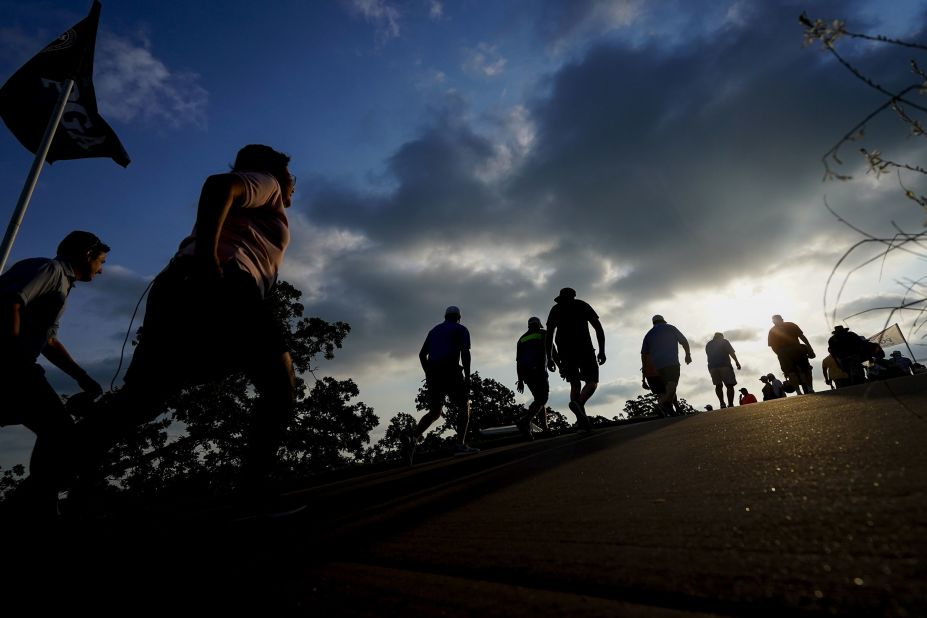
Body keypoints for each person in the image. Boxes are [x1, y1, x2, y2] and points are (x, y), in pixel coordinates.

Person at [87, 145, 298, 497]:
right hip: (223, 280)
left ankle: (44, 484)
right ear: (279, 173)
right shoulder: (268, 184)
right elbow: (219, 185)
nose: (293, 186)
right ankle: (251, 498)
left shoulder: (258, 209)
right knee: (280, 385)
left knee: (141, 401)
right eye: (292, 177)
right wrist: (207, 262)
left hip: (177, 287)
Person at [0, 231, 107, 518]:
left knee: (55, 431)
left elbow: (48, 342)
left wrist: (81, 376)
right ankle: (39, 507)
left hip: (18, 365)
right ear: (87, 254)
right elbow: (10, 299)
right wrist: (12, 355)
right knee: (59, 431)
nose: (102, 268)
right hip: (14, 366)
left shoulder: (61, 286)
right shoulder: (48, 268)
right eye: (101, 260)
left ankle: (37, 502)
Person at [408, 306, 478, 461]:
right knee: (463, 405)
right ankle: (460, 444)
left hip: (434, 374)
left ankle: (413, 437)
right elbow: (465, 353)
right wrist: (467, 376)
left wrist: (428, 373)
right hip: (451, 370)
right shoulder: (461, 329)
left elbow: (422, 355)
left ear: (445, 316)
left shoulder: (434, 331)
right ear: (459, 317)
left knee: (435, 412)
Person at [545, 288, 605, 431]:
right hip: (584, 347)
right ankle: (579, 403)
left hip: (565, 350)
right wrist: (602, 350)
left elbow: (549, 335)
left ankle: (581, 421)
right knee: (592, 381)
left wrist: (550, 358)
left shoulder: (556, 309)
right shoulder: (582, 305)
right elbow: (598, 328)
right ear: (574, 296)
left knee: (574, 383)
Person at [641, 315, 691, 416]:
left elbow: (644, 354)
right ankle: (665, 404)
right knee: (672, 384)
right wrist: (687, 354)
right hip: (671, 362)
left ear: (653, 323)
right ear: (664, 321)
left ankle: (666, 405)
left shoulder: (649, 334)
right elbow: (684, 341)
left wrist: (644, 371)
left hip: (658, 365)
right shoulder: (671, 328)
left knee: (666, 387)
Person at [514, 316, 549, 440]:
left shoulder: (521, 339)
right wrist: (555, 362)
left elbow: (518, 362)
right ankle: (525, 421)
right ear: (539, 324)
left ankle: (545, 428)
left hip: (525, 373)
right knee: (542, 398)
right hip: (538, 371)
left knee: (539, 399)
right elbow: (551, 349)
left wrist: (520, 380)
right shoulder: (543, 333)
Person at [768, 314, 815, 393]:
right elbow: (802, 337)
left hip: (783, 352)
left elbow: (773, 346)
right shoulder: (791, 325)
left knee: (791, 373)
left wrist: (779, 354)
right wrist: (809, 348)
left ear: (773, 322)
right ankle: (810, 389)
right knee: (806, 369)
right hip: (797, 348)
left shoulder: (772, 331)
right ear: (782, 319)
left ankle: (798, 391)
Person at [705, 332, 741, 409]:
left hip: (712, 367)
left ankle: (722, 403)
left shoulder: (708, 344)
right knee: (729, 385)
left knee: (718, 385)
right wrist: (736, 362)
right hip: (725, 365)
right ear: (721, 337)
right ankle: (730, 404)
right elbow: (731, 352)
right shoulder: (724, 341)